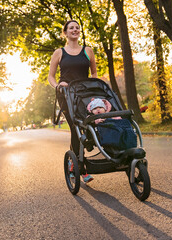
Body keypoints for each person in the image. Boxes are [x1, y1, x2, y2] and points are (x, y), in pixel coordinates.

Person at [48, 20, 97, 183]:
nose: (75, 30)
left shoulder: (88, 51)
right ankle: (79, 169)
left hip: (85, 95)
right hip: (67, 96)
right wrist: (58, 86)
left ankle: (76, 158)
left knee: (90, 126)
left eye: (77, 28)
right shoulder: (59, 52)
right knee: (76, 128)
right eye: (71, 28)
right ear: (65, 33)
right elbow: (51, 76)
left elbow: (94, 74)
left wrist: (95, 89)